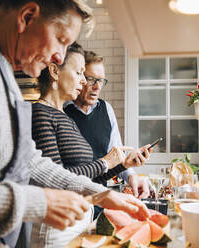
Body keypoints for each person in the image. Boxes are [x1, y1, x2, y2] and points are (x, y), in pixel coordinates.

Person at [0, 1, 149, 247]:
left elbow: (30, 163)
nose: (58, 56)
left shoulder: (4, 75)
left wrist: (101, 194)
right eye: (60, 39)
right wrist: (38, 202)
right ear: (27, 17)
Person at [30, 42, 150, 247]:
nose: (84, 81)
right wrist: (104, 162)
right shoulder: (41, 114)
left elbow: (86, 177)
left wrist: (122, 166)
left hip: (78, 220)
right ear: (54, 71)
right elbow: (57, 179)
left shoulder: (63, 117)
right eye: (79, 73)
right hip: (57, 229)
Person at [64, 50, 151, 198]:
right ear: (80, 78)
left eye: (101, 80)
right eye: (91, 79)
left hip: (101, 201)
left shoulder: (106, 110)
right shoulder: (63, 111)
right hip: (71, 205)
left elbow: (117, 157)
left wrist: (131, 176)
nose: (97, 87)